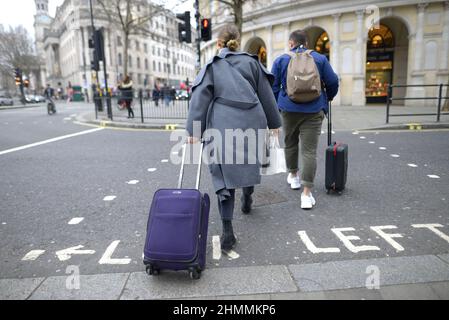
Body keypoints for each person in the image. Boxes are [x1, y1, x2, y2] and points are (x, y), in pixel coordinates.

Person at [186, 24, 282, 251]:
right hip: (252, 121)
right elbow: (266, 94)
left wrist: (194, 131)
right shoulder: (252, 62)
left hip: (222, 124)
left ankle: (227, 229)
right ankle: (247, 196)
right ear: (237, 41)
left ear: (218, 44)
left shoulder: (212, 66)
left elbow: (200, 98)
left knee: (223, 176)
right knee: (249, 163)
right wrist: (274, 124)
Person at [271, 29, 339, 209]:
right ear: (306, 44)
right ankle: (306, 194)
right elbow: (332, 82)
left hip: (289, 109)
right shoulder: (320, 59)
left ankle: (293, 176)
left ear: (291, 43)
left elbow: (273, 87)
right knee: (309, 151)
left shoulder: (281, 60)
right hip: (314, 109)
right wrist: (327, 98)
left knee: (291, 143)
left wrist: (279, 105)